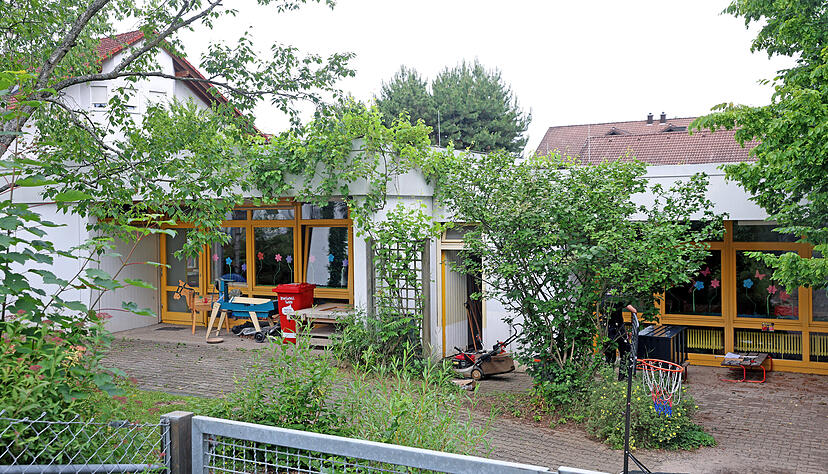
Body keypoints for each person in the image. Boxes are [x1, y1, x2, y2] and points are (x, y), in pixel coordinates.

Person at [605, 301, 638, 381]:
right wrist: (632, 322)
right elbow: (633, 310)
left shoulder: (603, 299)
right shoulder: (618, 299)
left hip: (606, 328)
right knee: (626, 352)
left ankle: (608, 376)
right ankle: (622, 377)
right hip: (618, 328)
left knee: (610, 354)